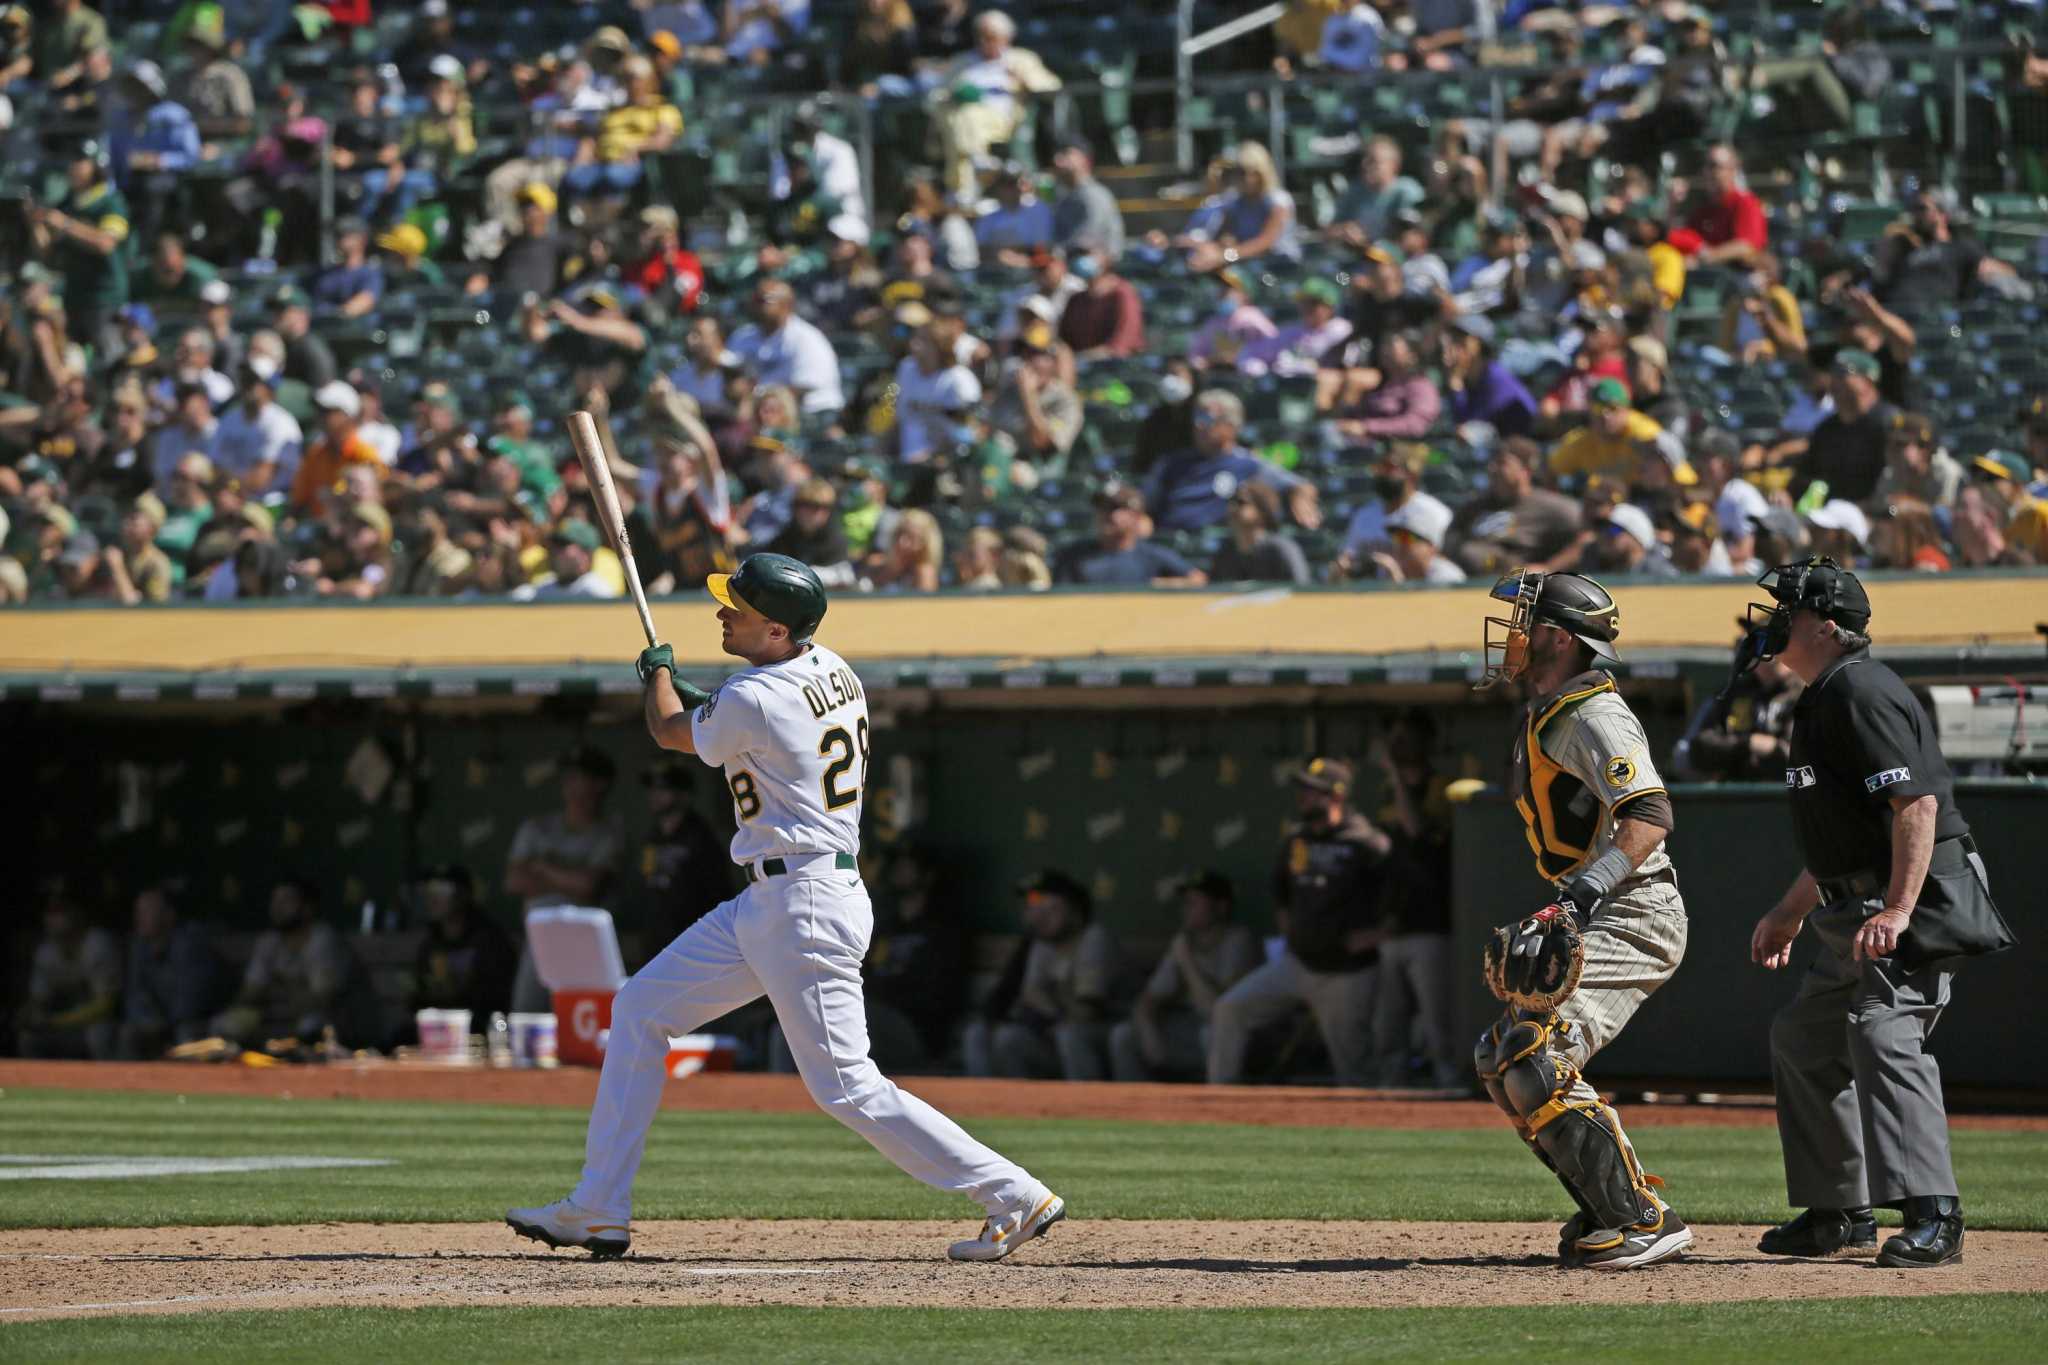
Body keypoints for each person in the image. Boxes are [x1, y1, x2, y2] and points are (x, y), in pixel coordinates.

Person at [509, 553, 1066, 1262]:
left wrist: (657, 678)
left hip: (801, 901)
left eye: (736, 607)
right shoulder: (833, 667)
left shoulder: (751, 695)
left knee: (846, 1085)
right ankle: (597, 1207)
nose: (722, 612)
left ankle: (1012, 1191)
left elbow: (672, 731)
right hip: (777, 897)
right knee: (640, 1007)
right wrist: (694, 692)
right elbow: (745, 720)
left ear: (776, 629)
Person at [1746, 558, 2012, 1269]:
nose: (1775, 620)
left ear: (1829, 628)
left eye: (1790, 611)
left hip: (1914, 891)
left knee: (1883, 1028)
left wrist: (1898, 907)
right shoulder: (1826, 691)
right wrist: (1790, 909)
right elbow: (1845, 835)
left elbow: (1916, 805)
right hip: (1856, 898)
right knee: (1804, 1037)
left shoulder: (1859, 687)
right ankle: (1839, 1210)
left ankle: (1936, 1212)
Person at [1470, 569, 1694, 1270]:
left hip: (1636, 907)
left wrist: (1581, 895)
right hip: (1607, 901)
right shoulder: (1555, 706)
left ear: (1558, 639)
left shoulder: (1594, 712)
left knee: (1534, 1052)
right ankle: (1607, 1204)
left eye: (1524, 621)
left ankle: (1641, 1218)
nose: (1511, 634)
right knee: (1500, 1051)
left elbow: (1651, 813)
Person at [1209, 758, 1390, 1087]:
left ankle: (1371, 1126)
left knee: (1354, 1069)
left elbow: (1403, 898)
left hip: (1347, 974)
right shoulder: (1298, 840)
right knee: (1230, 1009)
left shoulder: (1366, 842)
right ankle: (1219, 1097)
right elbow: (1280, 889)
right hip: (1298, 964)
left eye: (1312, 792)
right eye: (1303, 791)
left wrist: (1377, 935)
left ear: (1336, 796)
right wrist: (1288, 926)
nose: (1303, 798)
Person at [503, 745, 626, 1014]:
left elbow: (589, 887)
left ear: (600, 784)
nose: (570, 784)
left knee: (585, 1021)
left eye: (579, 777)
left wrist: (543, 869)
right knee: (527, 1017)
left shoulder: (608, 832)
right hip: (539, 938)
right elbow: (514, 881)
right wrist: (570, 876)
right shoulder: (537, 826)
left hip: (586, 944)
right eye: (567, 777)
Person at [1110, 870, 1258, 1082]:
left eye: (1193, 903)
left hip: (1237, 1036)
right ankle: (1133, 1105)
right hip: (1187, 1029)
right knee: (1124, 1035)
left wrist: (1187, 961)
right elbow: (1148, 999)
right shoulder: (1184, 942)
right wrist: (1148, 1029)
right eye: (1184, 903)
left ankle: (1220, 1105)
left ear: (1221, 907)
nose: (1185, 909)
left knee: (1210, 1033)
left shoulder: (1238, 940)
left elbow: (1216, 1010)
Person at [984, 869, 1121, 1081]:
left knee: (1071, 1034)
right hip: (1059, 1027)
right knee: (1009, 1037)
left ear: (1074, 910)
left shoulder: (1094, 938)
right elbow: (1031, 993)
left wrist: (1049, 1009)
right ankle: (1022, 1107)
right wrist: (1052, 1012)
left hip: (1105, 1033)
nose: (1038, 916)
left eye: (1051, 909)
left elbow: (1087, 1010)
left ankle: (1087, 1104)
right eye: (1033, 908)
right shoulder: (1043, 943)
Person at [1144, 389, 1316, 534]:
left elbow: (1301, 485)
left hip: (1217, 546)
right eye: (1196, 418)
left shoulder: (1248, 464)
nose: (1199, 426)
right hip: (1169, 541)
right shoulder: (1171, 463)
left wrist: (1300, 495)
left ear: (1232, 426)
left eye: (1207, 419)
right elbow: (1146, 504)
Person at [210, 879, 358, 1048]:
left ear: (307, 908)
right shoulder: (269, 942)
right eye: (275, 901)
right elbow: (250, 993)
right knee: (227, 1023)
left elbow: (322, 999)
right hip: (277, 1017)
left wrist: (281, 989)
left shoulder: (323, 940)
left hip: (335, 1025)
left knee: (311, 1023)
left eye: (286, 901)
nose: (277, 908)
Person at [631, 761, 733, 965]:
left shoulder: (702, 839)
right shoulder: (651, 838)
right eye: (652, 789)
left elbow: (718, 895)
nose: (655, 795)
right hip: (654, 942)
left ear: (684, 795)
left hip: (692, 943)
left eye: (664, 789)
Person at [407, 865, 517, 1032]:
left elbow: (495, 1002)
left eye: (442, 890)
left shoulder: (489, 940)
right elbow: (417, 998)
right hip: (436, 1029)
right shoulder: (431, 943)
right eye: (428, 891)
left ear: (464, 895)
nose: (433, 898)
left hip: (481, 1028)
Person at [117, 884, 218, 1059]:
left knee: (186, 1033)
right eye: (138, 911)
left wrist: (165, 1025)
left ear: (169, 916)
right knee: (129, 1033)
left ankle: (190, 1084)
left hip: (197, 1019)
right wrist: (149, 1020)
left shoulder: (189, 943)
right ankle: (129, 1084)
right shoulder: (139, 946)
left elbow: (191, 1001)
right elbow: (136, 993)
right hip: (159, 1020)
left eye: (147, 911)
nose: (138, 917)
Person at [18, 890, 120, 1059]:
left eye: (59, 912)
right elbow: (38, 999)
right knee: (28, 1037)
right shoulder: (46, 952)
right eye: (49, 913)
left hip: (95, 1025)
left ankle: (109, 1083)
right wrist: (29, 1013)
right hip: (60, 1026)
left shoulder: (97, 944)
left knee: (98, 1035)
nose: (52, 919)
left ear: (77, 914)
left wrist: (56, 1021)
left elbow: (106, 1006)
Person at [1053, 482, 1207, 587]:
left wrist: (1161, 585)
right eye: (1101, 508)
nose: (1106, 514)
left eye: (1114, 508)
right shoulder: (1073, 556)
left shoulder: (1151, 555)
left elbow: (1198, 580)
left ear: (1136, 516)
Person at [1211, 481, 1310, 584]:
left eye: (1241, 502)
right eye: (1231, 501)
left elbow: (1301, 589)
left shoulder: (1282, 549)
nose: (1232, 507)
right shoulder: (1225, 552)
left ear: (1263, 510)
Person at [1048, 137, 1124, 262]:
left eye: (1066, 153)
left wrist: (1056, 253)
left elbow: (1087, 239)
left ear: (1085, 159)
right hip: (1067, 261)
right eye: (1057, 155)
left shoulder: (1094, 194)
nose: (1058, 160)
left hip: (1093, 265)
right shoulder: (1062, 195)